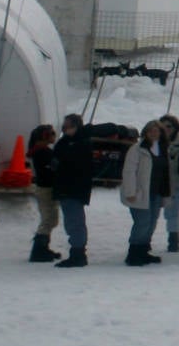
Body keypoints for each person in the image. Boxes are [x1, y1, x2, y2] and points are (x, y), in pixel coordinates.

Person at [49, 112, 115, 269]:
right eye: (63, 127)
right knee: (72, 221)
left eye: (68, 126)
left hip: (73, 189)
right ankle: (77, 252)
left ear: (76, 127)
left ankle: (78, 253)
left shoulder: (79, 143)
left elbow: (74, 166)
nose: (65, 130)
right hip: (67, 188)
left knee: (75, 222)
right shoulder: (67, 142)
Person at [117, 122, 175, 267]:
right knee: (142, 223)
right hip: (140, 193)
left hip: (156, 193)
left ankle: (143, 251)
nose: (154, 134)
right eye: (151, 131)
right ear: (145, 133)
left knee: (151, 223)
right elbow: (129, 171)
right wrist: (130, 191)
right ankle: (133, 253)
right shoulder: (137, 149)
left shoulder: (163, 149)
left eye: (157, 131)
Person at [26, 122, 61, 263]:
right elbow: (55, 167)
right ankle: (38, 250)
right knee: (49, 220)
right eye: (51, 134)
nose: (54, 136)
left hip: (43, 188)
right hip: (46, 189)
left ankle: (42, 248)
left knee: (49, 219)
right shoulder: (43, 152)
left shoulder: (38, 151)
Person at [152, 118, 179, 251]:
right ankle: (145, 240)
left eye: (169, 126)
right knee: (152, 214)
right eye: (163, 126)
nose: (166, 129)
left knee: (172, 213)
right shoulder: (154, 144)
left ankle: (173, 240)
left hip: (175, 184)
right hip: (156, 185)